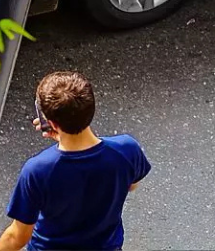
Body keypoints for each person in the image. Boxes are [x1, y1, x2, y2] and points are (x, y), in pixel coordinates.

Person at [0, 71, 151, 251]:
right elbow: (131, 185)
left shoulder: (37, 170)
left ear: (53, 124)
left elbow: (17, 236)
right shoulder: (127, 149)